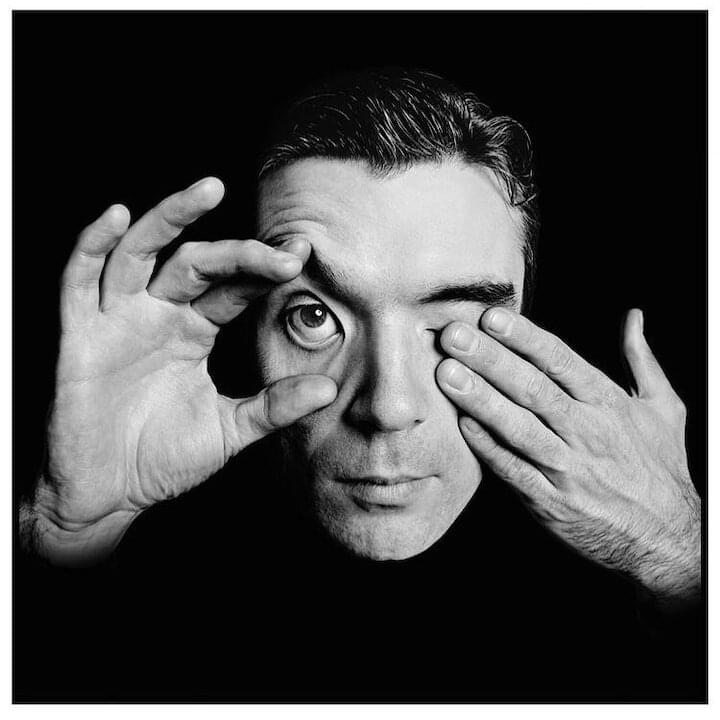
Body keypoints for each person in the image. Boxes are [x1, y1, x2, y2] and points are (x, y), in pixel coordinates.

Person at [16, 68, 704, 700]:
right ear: (246, 320)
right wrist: (65, 535)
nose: (388, 407)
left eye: (453, 325)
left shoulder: (626, 560)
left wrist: (681, 555)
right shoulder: (167, 571)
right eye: (314, 316)